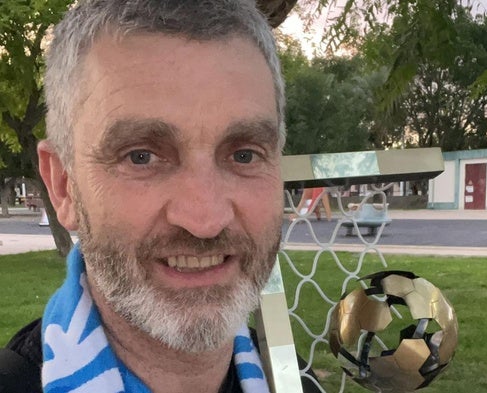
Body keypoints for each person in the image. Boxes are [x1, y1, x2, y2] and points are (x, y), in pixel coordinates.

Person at [0, 1, 320, 392]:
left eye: (243, 155)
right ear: (63, 184)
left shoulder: (295, 378)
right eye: (141, 157)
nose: (205, 219)